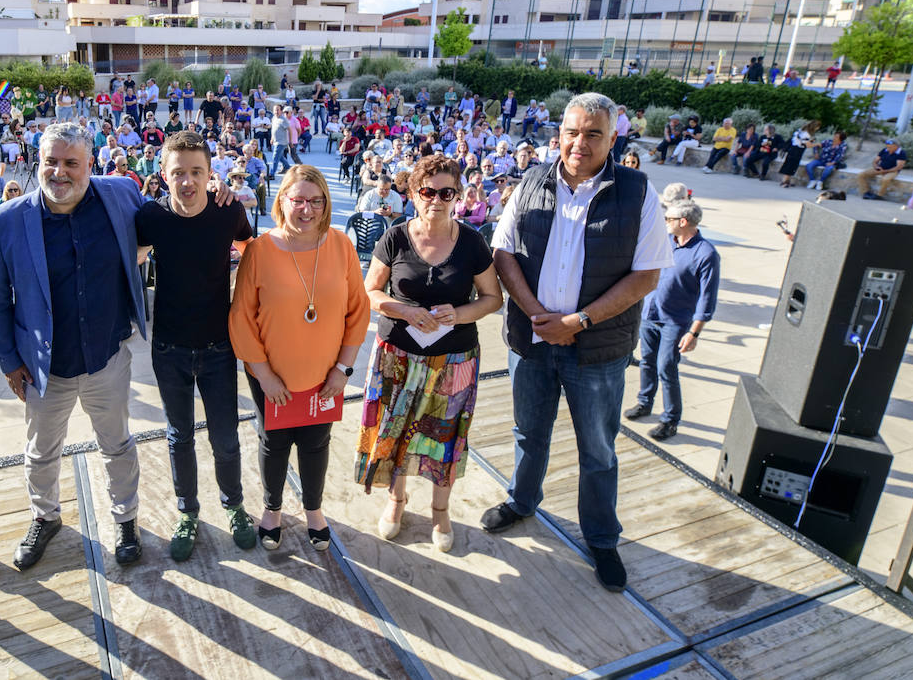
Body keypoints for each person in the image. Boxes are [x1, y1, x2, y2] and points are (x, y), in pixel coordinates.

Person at [482, 92, 673, 593]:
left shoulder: (636, 192)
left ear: (613, 139)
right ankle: (523, 502)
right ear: (558, 134)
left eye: (593, 134)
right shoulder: (530, 181)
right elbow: (503, 253)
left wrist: (578, 321)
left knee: (597, 450)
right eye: (572, 132)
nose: (580, 143)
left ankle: (602, 538)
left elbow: (646, 276)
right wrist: (537, 314)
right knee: (529, 433)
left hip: (597, 351)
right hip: (532, 340)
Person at [0, 122, 151, 571]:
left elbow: (168, 217)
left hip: (107, 359)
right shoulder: (5, 221)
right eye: (50, 161)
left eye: (70, 163)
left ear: (89, 164)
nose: (59, 172)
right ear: (38, 161)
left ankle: (126, 520)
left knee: (117, 445)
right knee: (40, 453)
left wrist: (224, 202)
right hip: (44, 367)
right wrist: (9, 362)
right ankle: (45, 517)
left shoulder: (121, 195)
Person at [357, 156, 502, 551]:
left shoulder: (472, 242)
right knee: (397, 430)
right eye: (428, 191)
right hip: (397, 357)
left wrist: (458, 314)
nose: (437, 199)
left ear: (457, 195)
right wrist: (405, 310)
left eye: (446, 192)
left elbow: (492, 298)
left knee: (444, 438)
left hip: (454, 360)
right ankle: (396, 501)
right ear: (413, 193)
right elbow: (370, 292)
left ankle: (441, 512)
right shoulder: (396, 237)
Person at [229, 165, 367, 552]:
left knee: (316, 441)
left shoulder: (341, 245)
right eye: (299, 200)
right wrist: (265, 375)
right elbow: (241, 318)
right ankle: (272, 510)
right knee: (273, 441)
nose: (307, 209)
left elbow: (358, 311)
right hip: (270, 373)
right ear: (282, 201)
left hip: (326, 374)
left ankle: (313, 511)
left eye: (316, 201)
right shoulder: (259, 250)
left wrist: (343, 369)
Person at [134, 132, 257, 561]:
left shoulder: (228, 211)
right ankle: (188, 513)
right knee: (178, 436)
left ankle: (234, 506)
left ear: (210, 174)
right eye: (178, 173)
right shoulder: (151, 216)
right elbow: (132, 258)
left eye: (196, 172)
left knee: (225, 437)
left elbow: (250, 248)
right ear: (163, 175)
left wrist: (246, 299)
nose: (187, 181)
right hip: (168, 347)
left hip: (219, 347)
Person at [625, 198, 719, 440]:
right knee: (646, 361)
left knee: (666, 366)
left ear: (683, 221)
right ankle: (645, 403)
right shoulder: (665, 241)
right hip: (650, 314)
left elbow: (707, 299)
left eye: (669, 219)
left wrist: (694, 332)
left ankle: (670, 419)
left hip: (675, 322)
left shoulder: (706, 254)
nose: (666, 222)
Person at [778, 120, 819, 188]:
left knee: (790, 164)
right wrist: (816, 144)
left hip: (792, 148)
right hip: (797, 150)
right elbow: (808, 145)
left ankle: (788, 180)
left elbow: (800, 140)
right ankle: (784, 181)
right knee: (791, 165)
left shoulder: (800, 130)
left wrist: (810, 141)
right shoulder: (807, 134)